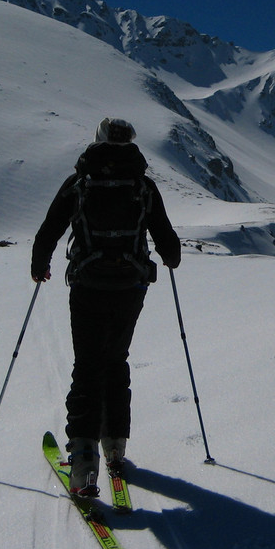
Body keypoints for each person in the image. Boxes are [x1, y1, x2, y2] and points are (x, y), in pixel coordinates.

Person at [31, 117, 181, 496]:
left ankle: (82, 461)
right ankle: (115, 445)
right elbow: (169, 244)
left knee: (87, 366)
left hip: (88, 283)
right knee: (116, 359)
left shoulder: (80, 182)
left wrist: (40, 266)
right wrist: (168, 257)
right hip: (130, 285)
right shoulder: (142, 185)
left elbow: (50, 228)